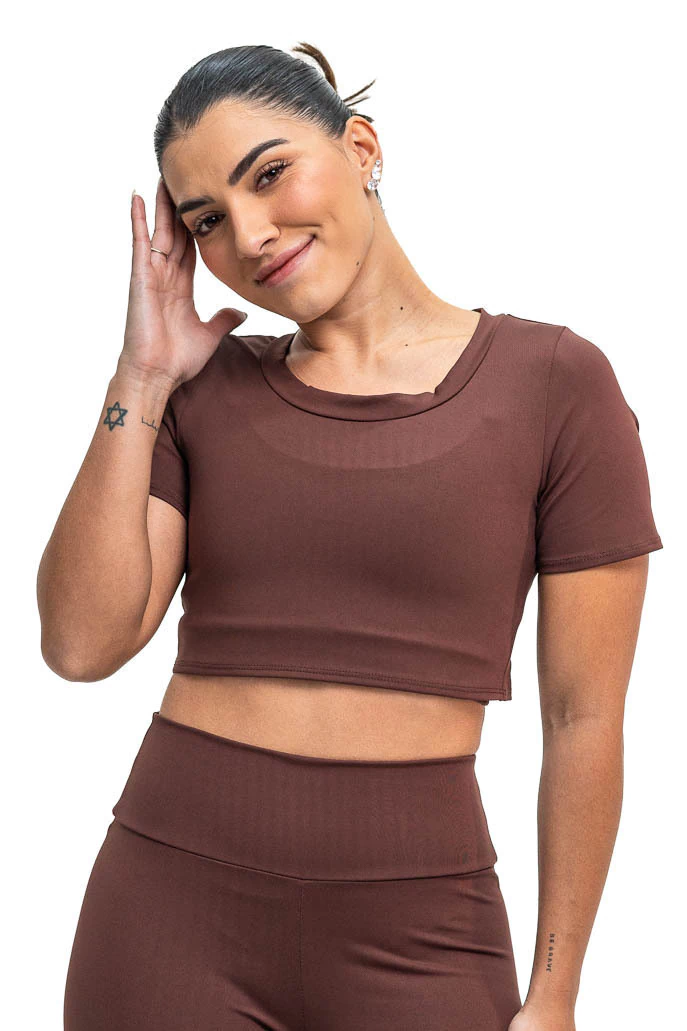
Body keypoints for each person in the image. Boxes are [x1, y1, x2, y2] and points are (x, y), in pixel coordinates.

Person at [37, 42, 663, 1031]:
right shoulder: (203, 391)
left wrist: (555, 992)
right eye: (207, 220)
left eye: (268, 174)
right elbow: (81, 642)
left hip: (422, 928)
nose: (249, 234)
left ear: (361, 147)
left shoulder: (554, 384)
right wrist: (141, 377)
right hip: (168, 909)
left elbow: (583, 716)